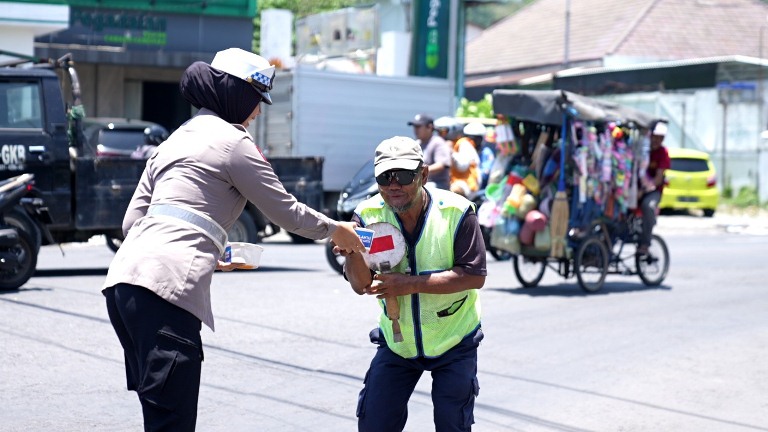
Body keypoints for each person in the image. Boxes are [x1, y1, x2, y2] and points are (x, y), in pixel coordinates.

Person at [101, 48, 365, 431]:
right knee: (172, 422)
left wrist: (209, 248)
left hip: (123, 285)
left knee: (159, 414)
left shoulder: (172, 141)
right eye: (256, 100)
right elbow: (285, 212)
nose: (258, 112)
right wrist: (335, 229)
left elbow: (132, 223)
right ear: (236, 94)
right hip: (166, 290)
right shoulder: (234, 143)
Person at [341, 136, 487, 432]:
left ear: (423, 174)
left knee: (452, 425)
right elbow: (360, 285)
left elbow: (474, 275)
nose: (394, 185)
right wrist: (352, 252)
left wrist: (408, 284)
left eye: (404, 176)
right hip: (398, 344)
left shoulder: (457, 213)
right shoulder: (367, 216)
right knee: (374, 423)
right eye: (385, 177)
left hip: (454, 339)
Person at [638, 121, 671, 255]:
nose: (657, 140)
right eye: (655, 137)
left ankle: (645, 243)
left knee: (648, 206)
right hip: (636, 189)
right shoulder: (641, 149)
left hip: (653, 191)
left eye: (660, 138)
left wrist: (644, 190)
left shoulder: (663, 153)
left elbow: (658, 178)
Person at [409, 113, 452, 190]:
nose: (415, 130)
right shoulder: (417, 144)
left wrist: (420, 172)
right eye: (414, 126)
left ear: (429, 127)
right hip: (421, 182)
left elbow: (441, 165)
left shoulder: (438, 142)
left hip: (438, 184)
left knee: (416, 189)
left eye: (418, 126)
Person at [450, 121, 483, 197]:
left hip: (467, 185)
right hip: (467, 185)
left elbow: (463, 165)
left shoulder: (464, 144)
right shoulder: (465, 144)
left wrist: (452, 154)